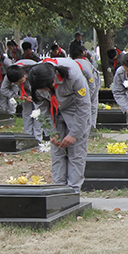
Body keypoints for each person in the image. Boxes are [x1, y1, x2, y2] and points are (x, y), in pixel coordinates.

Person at [27, 58, 91, 189]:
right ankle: (59, 189)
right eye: (42, 89)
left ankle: (73, 190)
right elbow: (42, 108)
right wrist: (51, 133)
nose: (45, 91)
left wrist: (74, 134)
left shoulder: (74, 76)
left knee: (76, 152)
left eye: (46, 88)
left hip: (73, 107)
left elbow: (84, 107)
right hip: (53, 110)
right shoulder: (35, 79)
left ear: (54, 77)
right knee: (57, 151)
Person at [1, 61, 42, 140]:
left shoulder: (34, 71)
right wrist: (18, 97)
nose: (19, 83)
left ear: (24, 74)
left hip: (37, 88)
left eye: (20, 81)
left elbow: (42, 87)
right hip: (24, 92)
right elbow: (3, 89)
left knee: (38, 113)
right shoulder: (10, 75)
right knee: (27, 112)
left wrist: (34, 96)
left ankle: (37, 138)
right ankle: (27, 136)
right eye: (17, 83)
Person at [69, 43, 99, 130]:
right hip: (80, 85)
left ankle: (91, 127)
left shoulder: (85, 66)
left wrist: (88, 96)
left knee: (92, 105)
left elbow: (92, 84)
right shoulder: (71, 67)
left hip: (93, 81)